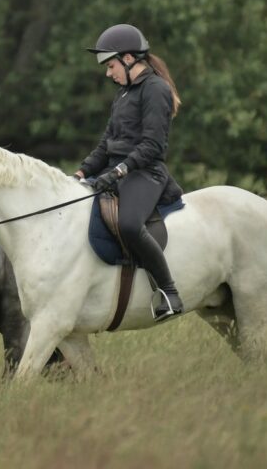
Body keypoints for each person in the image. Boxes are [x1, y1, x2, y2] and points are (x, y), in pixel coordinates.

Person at [75, 24, 185, 321]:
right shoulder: (123, 95)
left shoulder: (156, 90)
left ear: (128, 59)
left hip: (145, 173)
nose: (108, 73)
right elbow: (106, 144)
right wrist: (82, 172)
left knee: (129, 224)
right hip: (118, 171)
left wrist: (121, 170)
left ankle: (168, 292)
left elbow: (152, 145)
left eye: (111, 66)